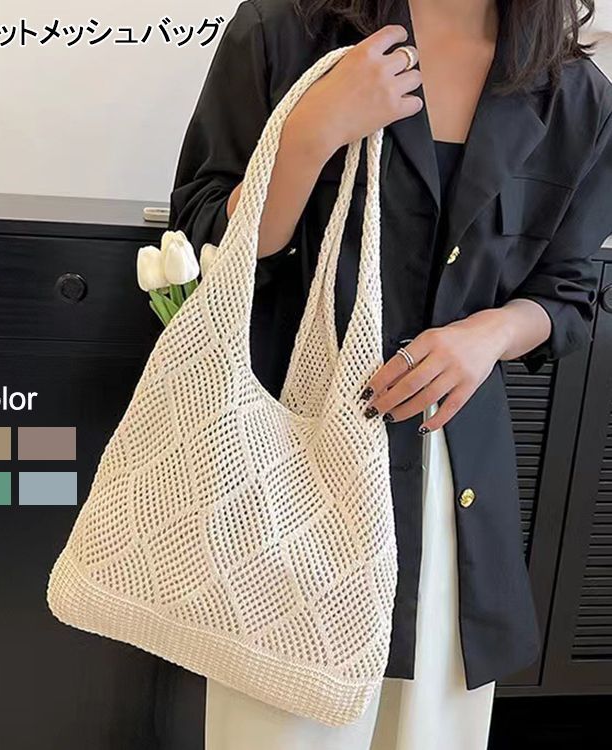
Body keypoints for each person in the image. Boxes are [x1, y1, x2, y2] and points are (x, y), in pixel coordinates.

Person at [163, 0, 612, 747]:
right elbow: (202, 236)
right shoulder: (286, 29)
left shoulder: (572, 92)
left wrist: (488, 335)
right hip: (290, 472)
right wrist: (311, 134)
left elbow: (570, 291)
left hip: (452, 489)